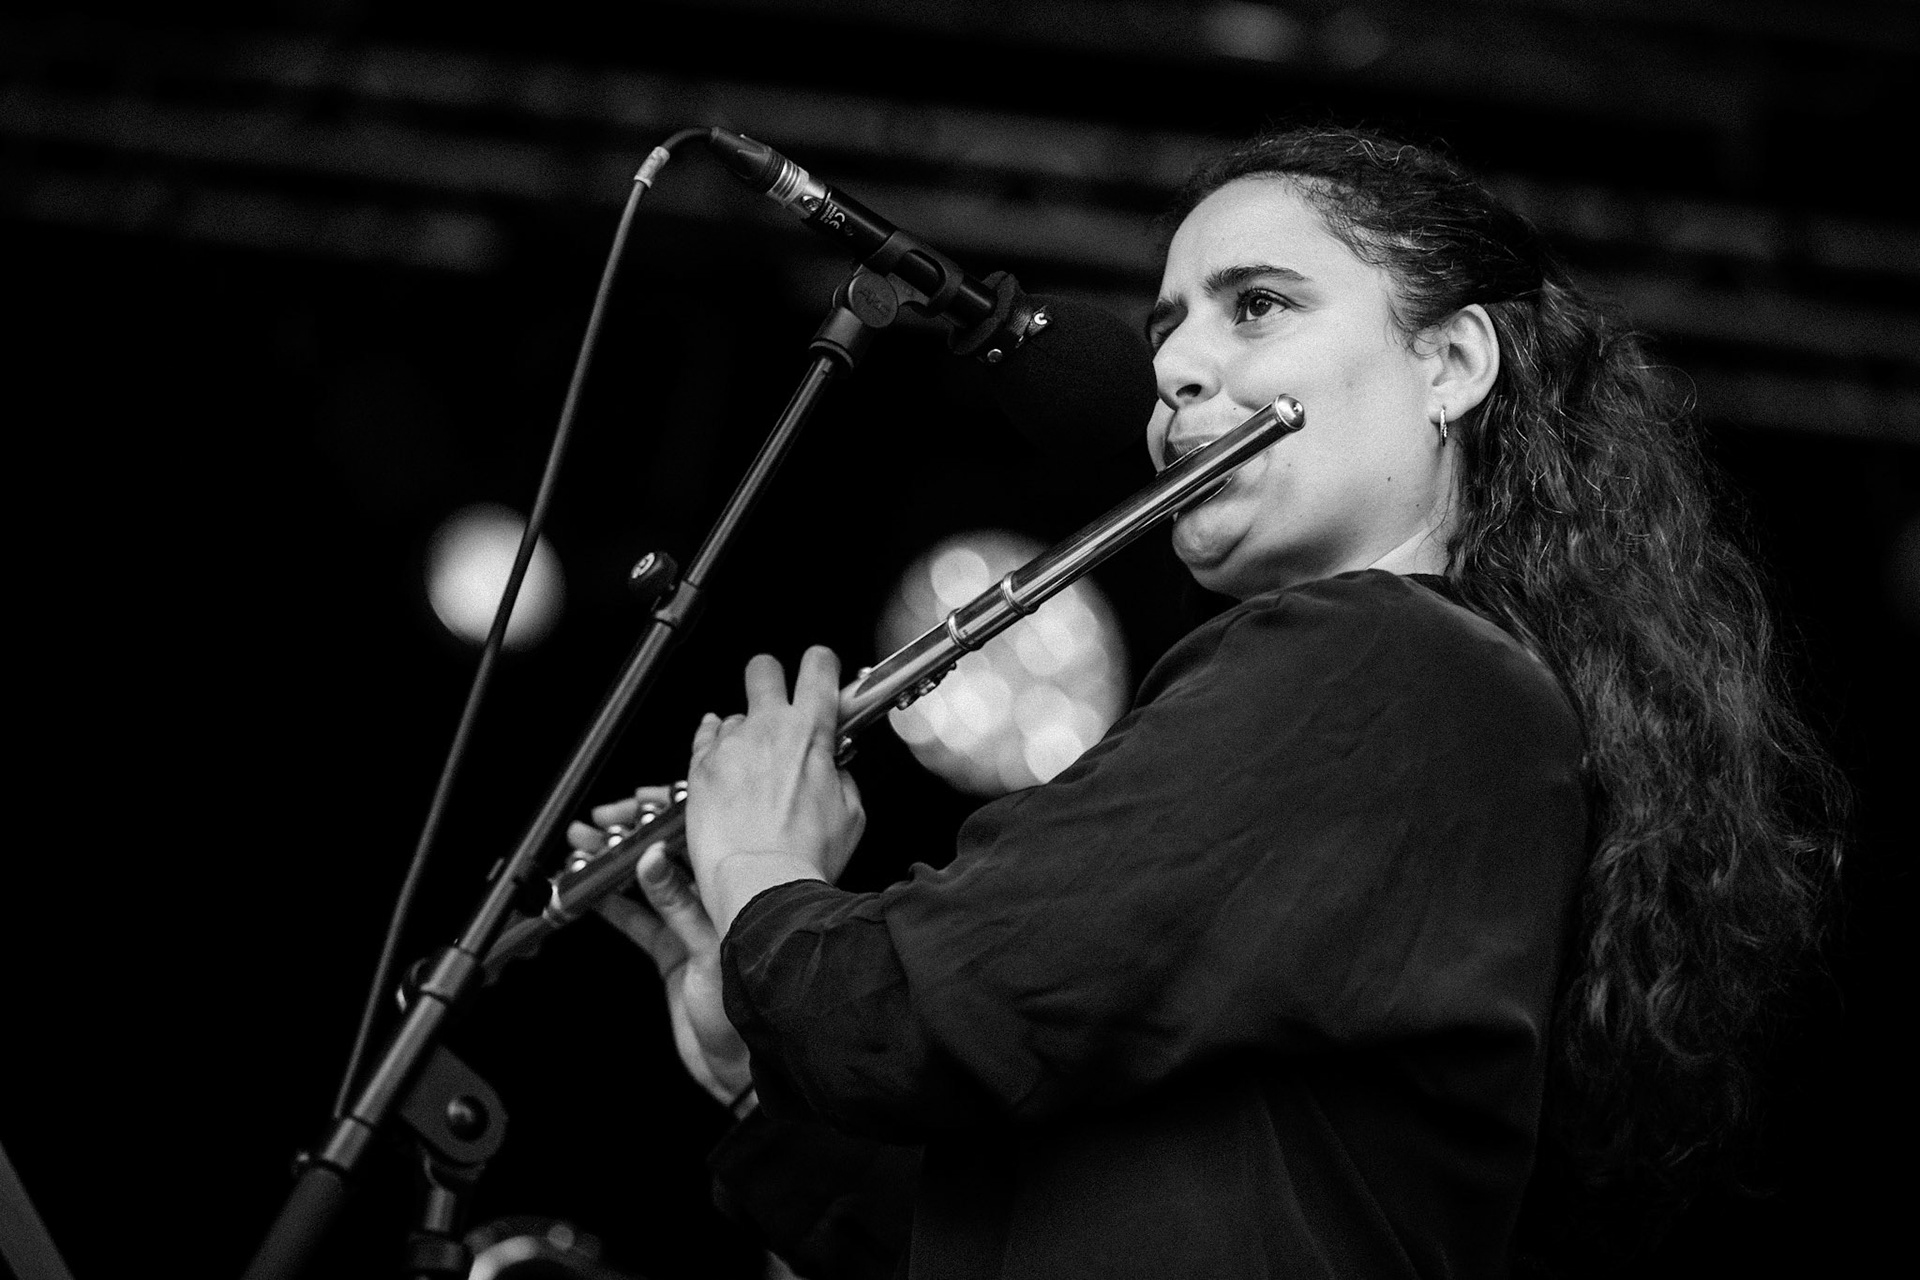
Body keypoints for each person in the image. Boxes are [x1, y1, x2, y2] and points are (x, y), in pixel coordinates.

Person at [570, 125, 1843, 1279]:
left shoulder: (1384, 662)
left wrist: (759, 874)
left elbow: (912, 1009)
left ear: (1451, 360)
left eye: (1259, 306)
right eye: (1170, 326)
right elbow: (1021, 1222)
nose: (1174, 367)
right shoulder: (1413, 698)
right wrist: (755, 1044)